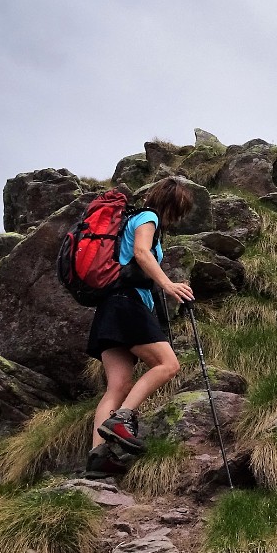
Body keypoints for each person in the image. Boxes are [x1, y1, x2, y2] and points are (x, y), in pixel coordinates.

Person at [84, 177, 197, 479]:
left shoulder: (129, 219)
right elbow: (142, 253)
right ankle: (122, 419)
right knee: (168, 364)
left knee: (117, 386)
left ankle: (98, 458)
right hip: (127, 304)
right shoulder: (148, 217)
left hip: (110, 306)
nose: (177, 218)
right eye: (179, 210)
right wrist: (168, 285)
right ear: (172, 205)